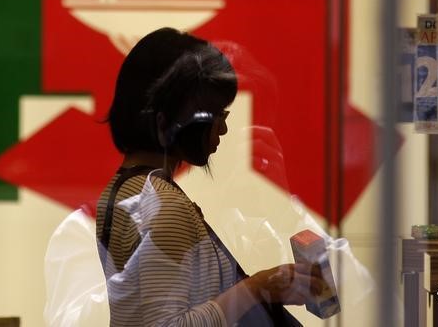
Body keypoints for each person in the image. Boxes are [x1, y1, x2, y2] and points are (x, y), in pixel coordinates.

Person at [96, 27, 325, 326]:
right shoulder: (164, 206)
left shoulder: (125, 189)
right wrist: (258, 289)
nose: (224, 130)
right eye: (217, 115)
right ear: (171, 119)